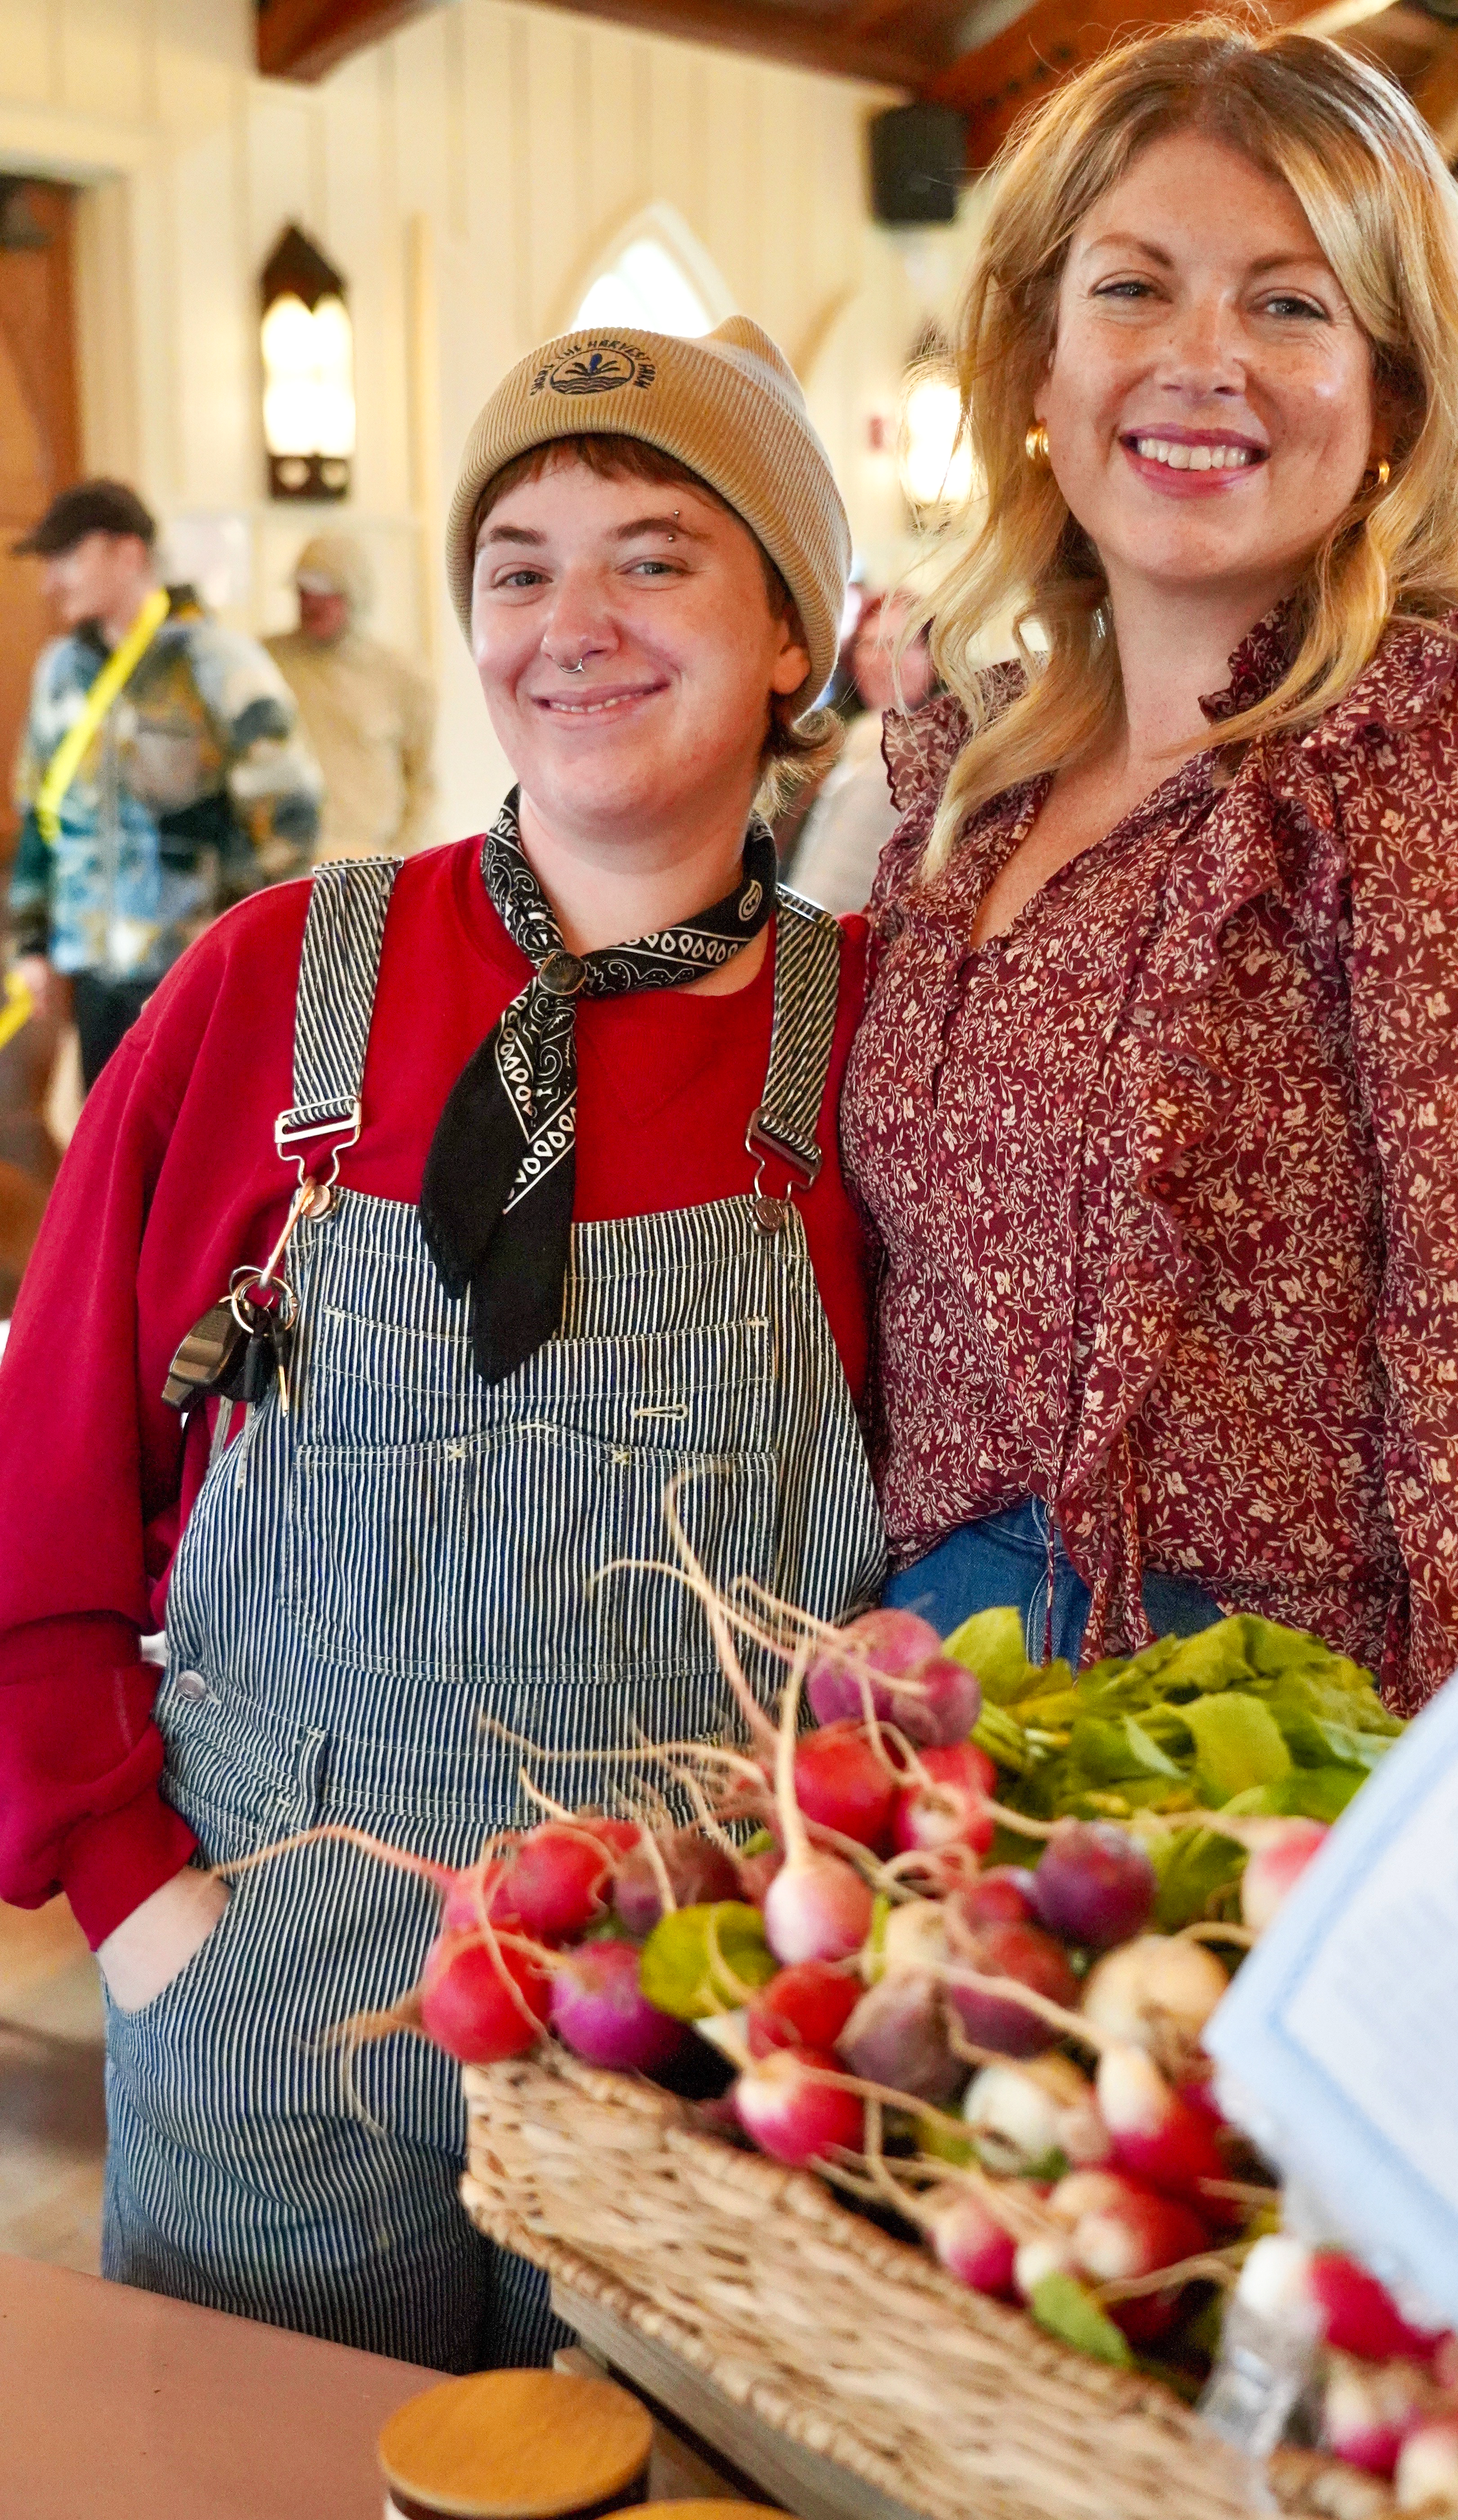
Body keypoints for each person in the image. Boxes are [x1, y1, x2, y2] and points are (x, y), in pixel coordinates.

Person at [0, 318, 883, 2368]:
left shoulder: (877, 1047)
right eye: (518, 563)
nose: (570, 621)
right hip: (269, 2006)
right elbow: (38, 1510)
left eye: (654, 555)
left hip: (713, 2038)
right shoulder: (263, 986)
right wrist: (152, 1923)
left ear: (789, 636)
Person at [842, 19, 1458, 1720]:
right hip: (950, 1702)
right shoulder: (983, 781)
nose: (1199, 359)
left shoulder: (1451, 771)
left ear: (1388, 394)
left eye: (1287, 302)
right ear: (1033, 362)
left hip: (1295, 1733)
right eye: (1132, 289)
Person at [7, 480, 320, 1086]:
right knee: (112, 1156)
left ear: (128, 554)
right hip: (94, 978)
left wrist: (231, 931)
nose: (51, 581)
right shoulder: (60, 674)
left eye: (67, 558)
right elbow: (41, 819)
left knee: (193, 1161)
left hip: (193, 977)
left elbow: (291, 814)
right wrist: (30, 947)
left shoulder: (218, 662)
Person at [265, 534, 437, 861]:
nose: (312, 604)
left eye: (325, 593)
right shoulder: (265, 664)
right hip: (286, 867)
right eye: (305, 592)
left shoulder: (403, 677)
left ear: (355, 593)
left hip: (375, 866)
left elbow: (423, 783)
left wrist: (403, 861)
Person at [789, 591, 937, 918]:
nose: (882, 661)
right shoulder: (828, 739)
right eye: (870, 645)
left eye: (899, 646)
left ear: (936, 658)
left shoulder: (936, 758)